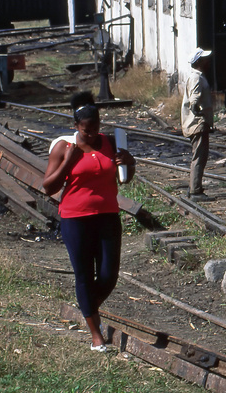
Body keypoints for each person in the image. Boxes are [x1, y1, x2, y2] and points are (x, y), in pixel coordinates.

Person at [42, 91, 136, 351]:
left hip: (107, 216)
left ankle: (86, 306)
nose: (91, 134)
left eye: (95, 128)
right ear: (75, 127)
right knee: (84, 275)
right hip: (75, 219)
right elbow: (48, 187)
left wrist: (131, 162)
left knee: (108, 274)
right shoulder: (64, 147)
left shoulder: (109, 142)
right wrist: (67, 164)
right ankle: (96, 334)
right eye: (86, 131)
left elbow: (124, 179)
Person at [181, 48, 214, 197]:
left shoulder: (198, 76)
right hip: (197, 123)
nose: (208, 61)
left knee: (199, 156)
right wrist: (198, 111)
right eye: (204, 59)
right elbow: (194, 98)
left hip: (198, 122)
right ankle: (195, 190)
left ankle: (194, 187)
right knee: (199, 157)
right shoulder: (196, 78)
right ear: (199, 62)